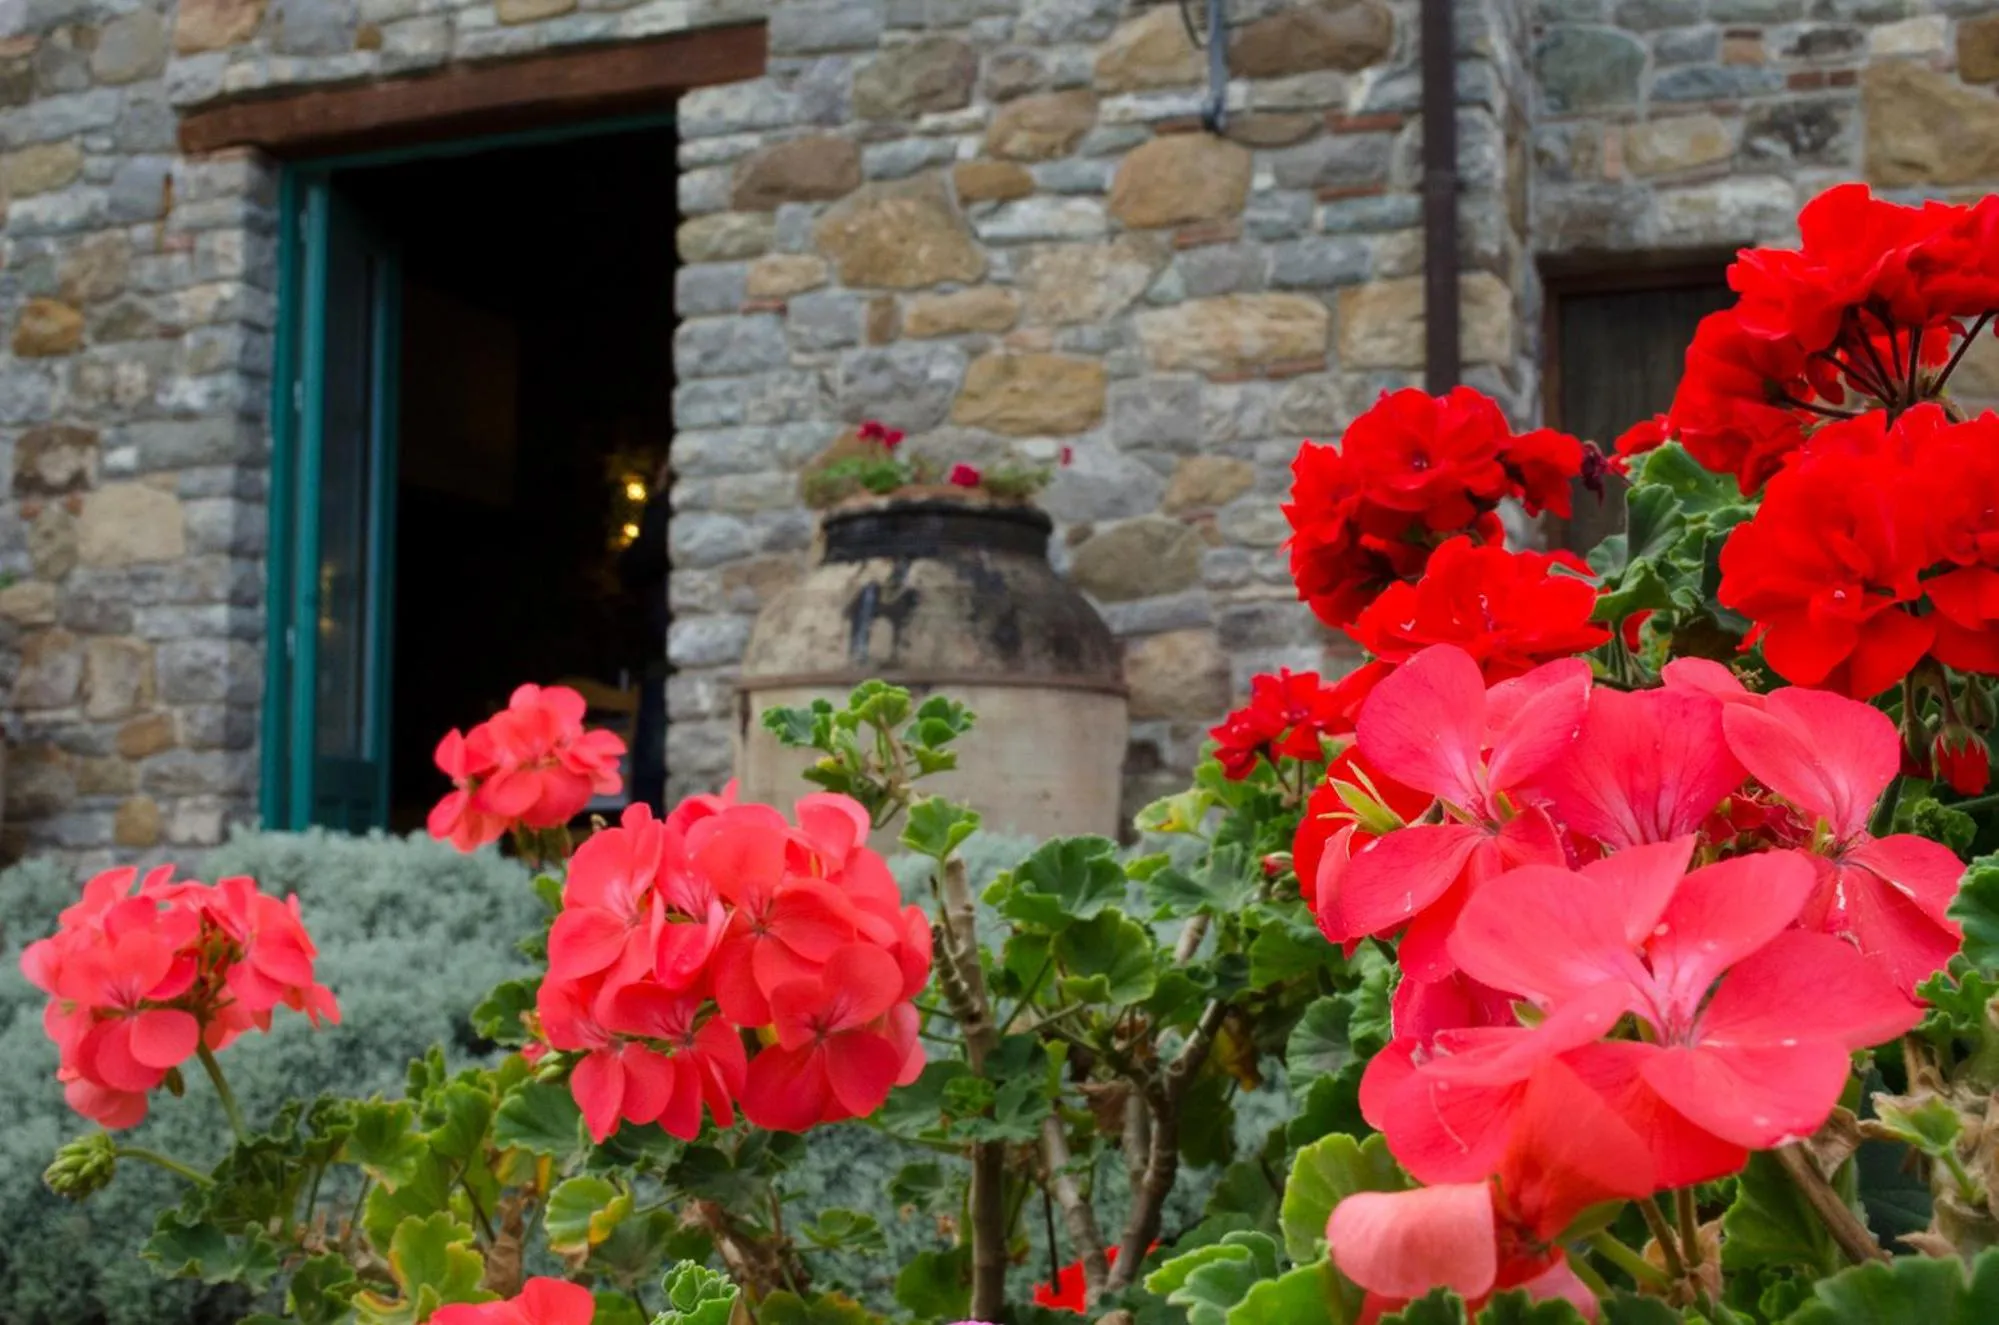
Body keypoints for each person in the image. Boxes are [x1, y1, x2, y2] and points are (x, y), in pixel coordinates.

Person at [617, 456, 671, 814]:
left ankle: (648, 839)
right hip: (662, 647)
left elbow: (634, 565)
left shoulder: (668, 509)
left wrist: (661, 497)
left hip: (663, 652)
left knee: (653, 763)